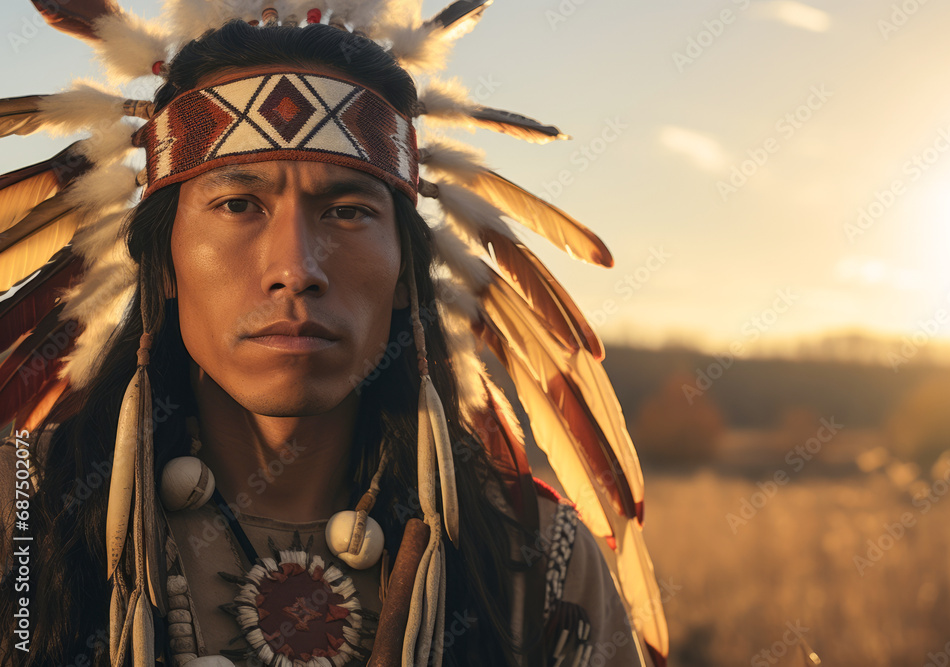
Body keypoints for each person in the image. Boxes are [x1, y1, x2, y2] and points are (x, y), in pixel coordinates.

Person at [0, 4, 668, 667]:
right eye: (239, 205)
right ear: (165, 262)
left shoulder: (536, 564)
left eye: (347, 211)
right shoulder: (19, 522)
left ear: (408, 272)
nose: (295, 268)